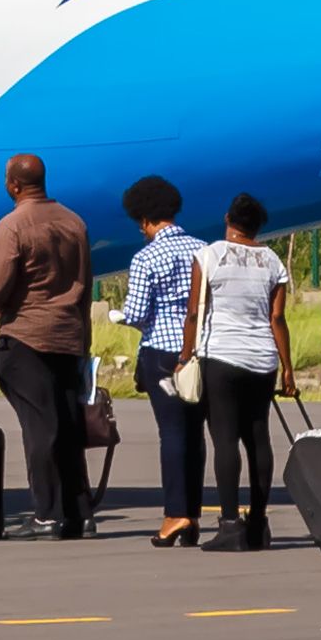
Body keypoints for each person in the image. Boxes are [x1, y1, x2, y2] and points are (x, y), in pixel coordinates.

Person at [0, 151, 99, 540]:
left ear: (13, 185)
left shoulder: (13, 225)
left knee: (41, 429)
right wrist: (83, 340)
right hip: (68, 336)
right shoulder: (74, 223)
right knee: (68, 428)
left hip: (27, 336)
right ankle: (79, 512)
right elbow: (85, 286)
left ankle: (47, 514)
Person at [191, 193, 290, 547]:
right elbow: (276, 318)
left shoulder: (210, 254)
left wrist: (186, 354)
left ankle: (230, 523)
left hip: (221, 356)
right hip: (263, 358)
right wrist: (288, 369)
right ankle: (259, 523)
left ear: (227, 218)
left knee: (225, 439)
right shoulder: (272, 260)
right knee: (258, 438)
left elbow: (194, 312)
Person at [111, 176, 204, 545]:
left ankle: (175, 514)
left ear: (145, 219)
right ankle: (192, 513)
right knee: (195, 433)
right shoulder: (203, 248)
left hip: (162, 353)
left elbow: (135, 313)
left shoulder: (146, 257)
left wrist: (118, 316)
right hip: (197, 350)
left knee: (172, 433)